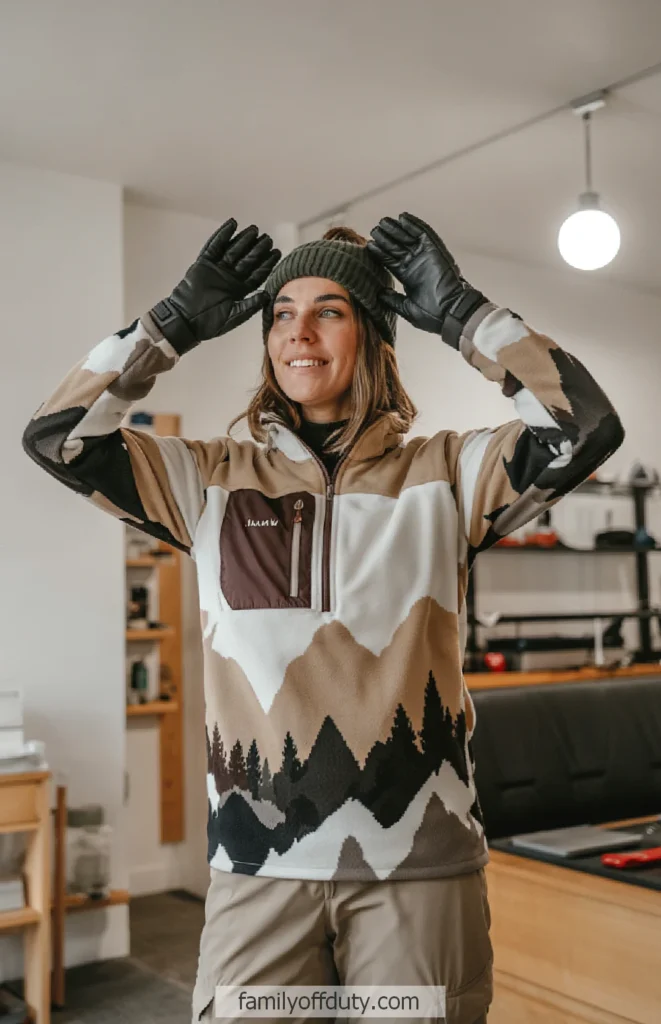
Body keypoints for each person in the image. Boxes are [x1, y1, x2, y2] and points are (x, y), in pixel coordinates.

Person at [23, 213, 623, 1024]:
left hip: (418, 873)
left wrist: (465, 316)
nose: (297, 332)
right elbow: (57, 436)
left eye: (329, 310)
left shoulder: (446, 474)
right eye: (280, 313)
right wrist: (166, 328)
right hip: (258, 873)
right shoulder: (207, 480)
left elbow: (584, 426)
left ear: (374, 336)